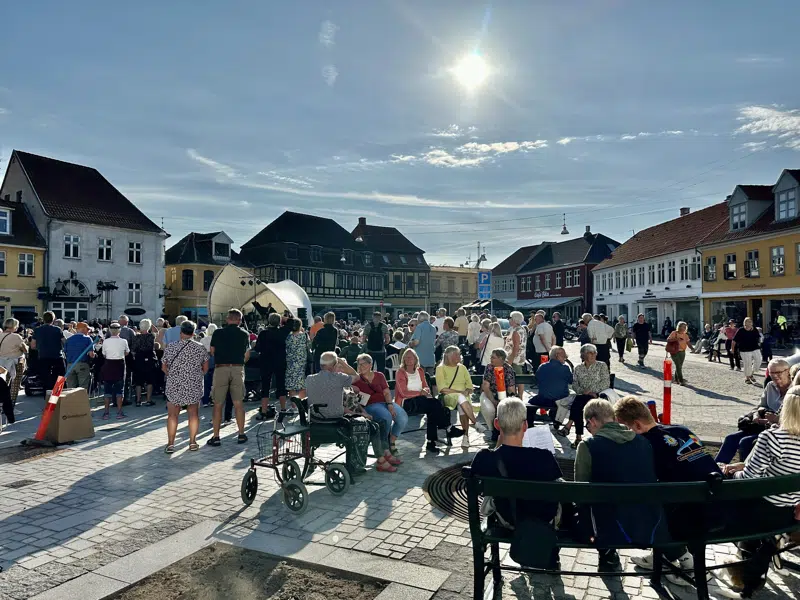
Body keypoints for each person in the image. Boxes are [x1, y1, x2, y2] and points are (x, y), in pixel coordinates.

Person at [574, 399, 668, 569]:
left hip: (608, 529)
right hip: (647, 524)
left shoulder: (588, 446)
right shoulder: (643, 442)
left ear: (593, 421)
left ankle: (607, 554)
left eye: (587, 426)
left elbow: (580, 491)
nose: (588, 431)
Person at [471, 398, 563, 566]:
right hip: (543, 520)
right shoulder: (544, 457)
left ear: (497, 424)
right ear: (525, 426)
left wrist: (497, 448)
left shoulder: (485, 459)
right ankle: (550, 555)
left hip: (508, 520)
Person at [306, 352, 399, 473]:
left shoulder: (309, 379)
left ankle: (381, 457)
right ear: (334, 366)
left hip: (316, 420)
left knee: (372, 423)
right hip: (336, 421)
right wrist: (343, 363)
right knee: (374, 426)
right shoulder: (339, 378)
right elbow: (356, 376)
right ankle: (378, 460)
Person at [715, 358, 791, 464]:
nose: (774, 376)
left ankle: (746, 474)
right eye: (771, 373)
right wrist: (756, 415)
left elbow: (795, 420)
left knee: (745, 442)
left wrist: (775, 420)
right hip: (762, 427)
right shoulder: (770, 386)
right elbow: (759, 406)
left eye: (778, 372)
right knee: (731, 438)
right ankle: (715, 471)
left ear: (788, 371)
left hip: (779, 432)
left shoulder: (794, 392)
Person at [395, 348, 461, 453]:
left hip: (422, 400)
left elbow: (426, 386)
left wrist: (425, 391)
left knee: (433, 410)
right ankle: (448, 427)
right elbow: (403, 393)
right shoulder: (400, 372)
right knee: (434, 404)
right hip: (407, 402)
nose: (408, 359)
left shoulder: (420, 370)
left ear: (415, 359)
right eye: (406, 357)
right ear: (403, 359)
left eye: (410, 357)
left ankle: (431, 442)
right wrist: (420, 393)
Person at [161, 320, 208, 453]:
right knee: (193, 415)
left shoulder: (171, 347)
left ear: (181, 333)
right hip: (193, 384)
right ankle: (192, 442)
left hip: (174, 384)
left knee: (172, 415)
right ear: (193, 333)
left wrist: (173, 375)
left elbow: (164, 367)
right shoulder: (200, 348)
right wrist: (195, 375)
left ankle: (170, 444)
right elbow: (205, 368)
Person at [208, 309, 251, 446]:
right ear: (239, 320)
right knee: (238, 403)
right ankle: (241, 434)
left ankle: (216, 436)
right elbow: (247, 354)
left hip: (221, 368)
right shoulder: (245, 334)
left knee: (218, 403)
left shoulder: (218, 333)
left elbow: (212, 351)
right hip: (237, 368)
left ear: (227, 319)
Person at [353, 353, 409, 457]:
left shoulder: (379, 375)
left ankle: (391, 441)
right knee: (386, 417)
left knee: (402, 417)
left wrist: (390, 405)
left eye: (363, 364)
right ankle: (384, 447)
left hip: (385, 402)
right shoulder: (356, 379)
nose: (360, 367)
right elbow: (355, 400)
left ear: (370, 365)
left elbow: (386, 392)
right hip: (370, 405)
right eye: (358, 364)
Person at [558, 344, 610, 448]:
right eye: (590, 353)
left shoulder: (601, 366)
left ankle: (574, 433)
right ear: (583, 355)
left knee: (578, 403)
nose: (593, 355)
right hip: (583, 395)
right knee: (579, 403)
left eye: (594, 352)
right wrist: (583, 391)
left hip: (597, 396)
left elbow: (606, 382)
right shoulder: (578, 368)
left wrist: (591, 391)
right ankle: (576, 437)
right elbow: (575, 384)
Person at [436, 346, 486, 449]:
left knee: (462, 405)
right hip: (448, 397)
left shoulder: (462, 367)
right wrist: (461, 392)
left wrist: (467, 391)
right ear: (450, 357)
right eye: (457, 354)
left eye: (459, 354)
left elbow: (470, 386)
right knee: (461, 398)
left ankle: (465, 437)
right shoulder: (440, 368)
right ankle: (475, 423)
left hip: (463, 399)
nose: (460, 356)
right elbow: (442, 389)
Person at [255, 312, 288, 419]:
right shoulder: (282, 332)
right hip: (280, 361)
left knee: (265, 386)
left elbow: (258, 348)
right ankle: (283, 409)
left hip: (266, 361)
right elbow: (291, 323)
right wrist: (284, 319)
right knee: (281, 385)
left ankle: (264, 410)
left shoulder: (263, 333)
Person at [531, 346, 574, 426]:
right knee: (566, 397)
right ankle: (556, 421)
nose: (565, 358)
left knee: (530, 404)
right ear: (557, 355)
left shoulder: (542, 367)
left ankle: (530, 424)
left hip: (543, 398)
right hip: (560, 399)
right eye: (564, 356)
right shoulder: (565, 368)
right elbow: (571, 381)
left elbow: (537, 380)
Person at [480, 348, 516, 442]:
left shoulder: (508, 368)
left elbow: (511, 387)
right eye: (491, 357)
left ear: (501, 358)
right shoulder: (489, 367)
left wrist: (508, 400)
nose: (491, 359)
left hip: (504, 395)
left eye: (493, 357)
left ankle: (506, 432)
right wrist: (493, 400)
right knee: (491, 409)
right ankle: (493, 430)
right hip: (490, 393)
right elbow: (486, 386)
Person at [31, 311, 65, 395]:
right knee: (60, 376)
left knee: (45, 378)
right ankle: (57, 395)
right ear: (53, 319)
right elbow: (64, 342)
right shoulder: (57, 329)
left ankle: (47, 396)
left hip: (43, 356)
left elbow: (33, 346)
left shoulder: (37, 330)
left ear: (43, 319)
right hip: (57, 356)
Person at [100, 322, 129, 419]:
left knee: (107, 390)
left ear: (110, 330)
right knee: (120, 389)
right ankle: (119, 412)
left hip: (108, 364)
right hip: (119, 364)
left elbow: (104, 354)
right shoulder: (123, 341)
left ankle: (106, 413)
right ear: (119, 330)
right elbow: (127, 353)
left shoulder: (105, 341)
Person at [0, 318, 28, 413]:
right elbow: (25, 350)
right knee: (15, 386)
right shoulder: (16, 337)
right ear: (13, 326)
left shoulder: (0, 335)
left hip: (1, 363)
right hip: (14, 363)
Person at [129, 318, 157, 406]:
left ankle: (138, 400)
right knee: (149, 381)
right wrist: (150, 324)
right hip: (149, 358)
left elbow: (133, 350)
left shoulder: (136, 337)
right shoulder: (151, 336)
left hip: (139, 359)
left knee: (138, 381)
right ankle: (148, 400)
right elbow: (156, 331)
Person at [64, 322, 94, 390]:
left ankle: (72, 400)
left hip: (70, 365)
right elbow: (91, 354)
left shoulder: (69, 339)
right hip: (82, 364)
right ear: (83, 329)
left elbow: (65, 352)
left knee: (70, 389)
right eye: (87, 329)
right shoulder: (87, 339)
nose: (88, 331)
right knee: (82, 388)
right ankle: (81, 401)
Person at [285, 318, 309, 398]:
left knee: (291, 384)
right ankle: (301, 403)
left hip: (290, 362)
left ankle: (294, 405)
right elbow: (309, 345)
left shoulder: (288, 336)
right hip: (302, 362)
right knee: (302, 384)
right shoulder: (304, 335)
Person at [504, 311, 528, 396]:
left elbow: (515, 347)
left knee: (513, 379)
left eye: (510, 318)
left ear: (514, 319)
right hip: (520, 358)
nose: (509, 320)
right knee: (519, 377)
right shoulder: (521, 329)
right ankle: (520, 396)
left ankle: (514, 396)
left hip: (514, 359)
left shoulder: (516, 331)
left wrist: (510, 360)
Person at [733, 317, 761, 385]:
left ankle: (751, 373)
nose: (748, 323)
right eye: (746, 322)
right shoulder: (741, 330)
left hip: (755, 348)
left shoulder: (754, 329)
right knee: (747, 364)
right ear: (744, 323)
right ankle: (747, 377)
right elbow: (734, 341)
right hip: (744, 349)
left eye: (750, 322)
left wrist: (760, 344)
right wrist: (733, 350)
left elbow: (758, 338)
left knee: (759, 360)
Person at [408, 310, 437, 377]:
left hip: (420, 357)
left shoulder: (419, 327)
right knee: (430, 379)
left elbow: (416, 342)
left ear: (419, 319)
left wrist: (410, 344)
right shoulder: (433, 328)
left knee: (420, 379)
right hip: (430, 357)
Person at [362, 311, 390, 375]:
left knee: (368, 368)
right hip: (381, 351)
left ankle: (368, 381)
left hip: (370, 350)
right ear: (380, 317)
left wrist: (368, 342)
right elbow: (387, 339)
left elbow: (363, 339)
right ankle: (380, 381)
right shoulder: (384, 326)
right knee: (381, 369)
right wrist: (383, 344)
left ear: (372, 317)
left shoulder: (368, 326)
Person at [665, 321, 691, 385]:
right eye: (682, 327)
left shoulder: (685, 335)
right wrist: (676, 339)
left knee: (679, 366)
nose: (683, 328)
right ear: (679, 327)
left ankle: (676, 379)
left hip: (682, 352)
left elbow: (688, 343)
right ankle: (681, 380)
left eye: (685, 327)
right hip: (674, 351)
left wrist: (693, 349)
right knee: (678, 366)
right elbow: (668, 340)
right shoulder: (674, 333)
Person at [201, 323, 217, 406]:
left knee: (205, 382)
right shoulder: (218, 339)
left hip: (205, 360)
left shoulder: (203, 340)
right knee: (215, 382)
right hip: (215, 359)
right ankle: (214, 399)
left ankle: (205, 401)